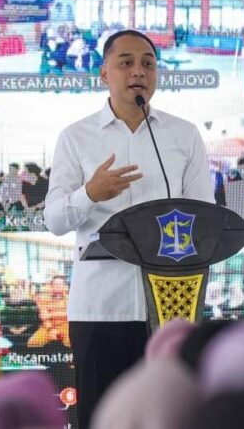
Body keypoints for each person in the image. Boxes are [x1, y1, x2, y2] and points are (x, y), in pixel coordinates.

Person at [43, 29, 214, 428]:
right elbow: (54, 220)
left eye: (148, 64)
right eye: (126, 63)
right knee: (101, 418)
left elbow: (204, 219)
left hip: (170, 311)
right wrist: (90, 193)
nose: (139, 71)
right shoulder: (76, 138)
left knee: (171, 418)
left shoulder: (183, 135)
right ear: (104, 73)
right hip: (100, 307)